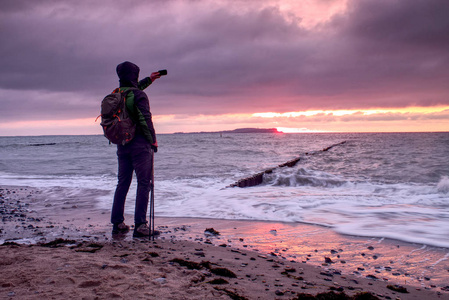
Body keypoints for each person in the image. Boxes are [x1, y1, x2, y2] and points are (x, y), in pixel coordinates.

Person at [111, 61, 160, 237]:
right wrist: (153, 141)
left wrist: (150, 80)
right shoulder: (138, 95)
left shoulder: (117, 94)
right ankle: (140, 225)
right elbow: (145, 119)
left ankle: (117, 223)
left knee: (122, 183)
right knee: (144, 183)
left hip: (122, 145)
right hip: (140, 146)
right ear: (135, 76)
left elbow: (131, 89)